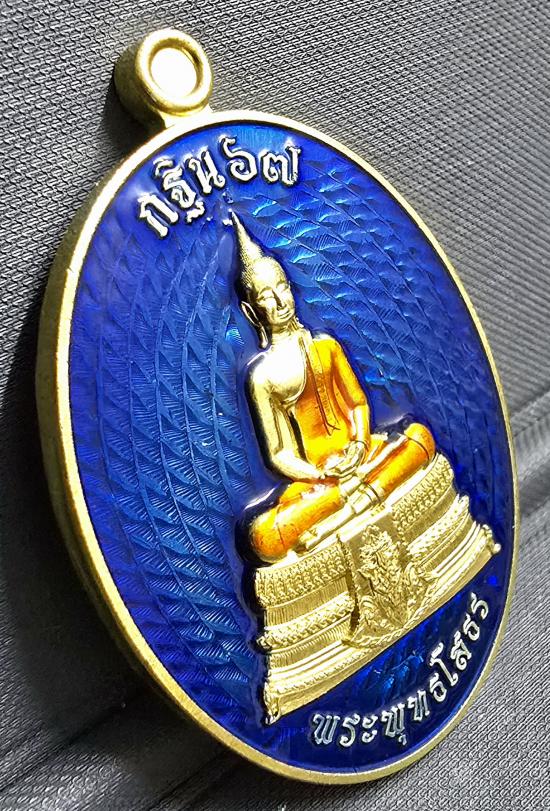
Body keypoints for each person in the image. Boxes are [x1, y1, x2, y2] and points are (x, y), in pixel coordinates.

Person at [233, 214, 435, 563]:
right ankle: (360, 495)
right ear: (252, 312)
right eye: (266, 296)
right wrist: (319, 474)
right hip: (319, 482)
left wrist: (358, 445)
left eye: (282, 287)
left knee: (420, 437)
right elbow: (279, 454)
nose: (280, 301)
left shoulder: (326, 347)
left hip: (363, 457)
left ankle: (351, 506)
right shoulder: (262, 377)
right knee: (263, 538)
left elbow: (357, 404)